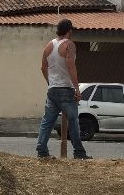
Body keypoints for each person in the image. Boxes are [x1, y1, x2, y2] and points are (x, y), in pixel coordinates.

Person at [36, 18, 91, 160]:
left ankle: (41, 150)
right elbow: (71, 68)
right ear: (69, 30)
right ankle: (79, 152)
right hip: (66, 89)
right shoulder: (69, 45)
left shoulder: (49, 45)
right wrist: (77, 89)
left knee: (47, 121)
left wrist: (50, 82)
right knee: (73, 120)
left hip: (52, 89)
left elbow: (43, 67)